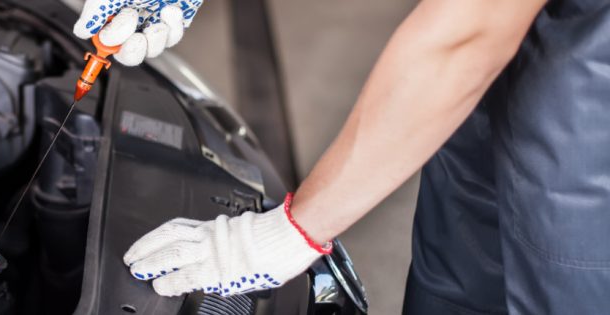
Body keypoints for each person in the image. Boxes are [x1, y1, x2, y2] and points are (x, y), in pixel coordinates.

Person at [73, 0, 610, 313]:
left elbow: (464, 38)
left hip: (588, 111)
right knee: (458, 280)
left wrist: (292, 231)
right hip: (500, 68)